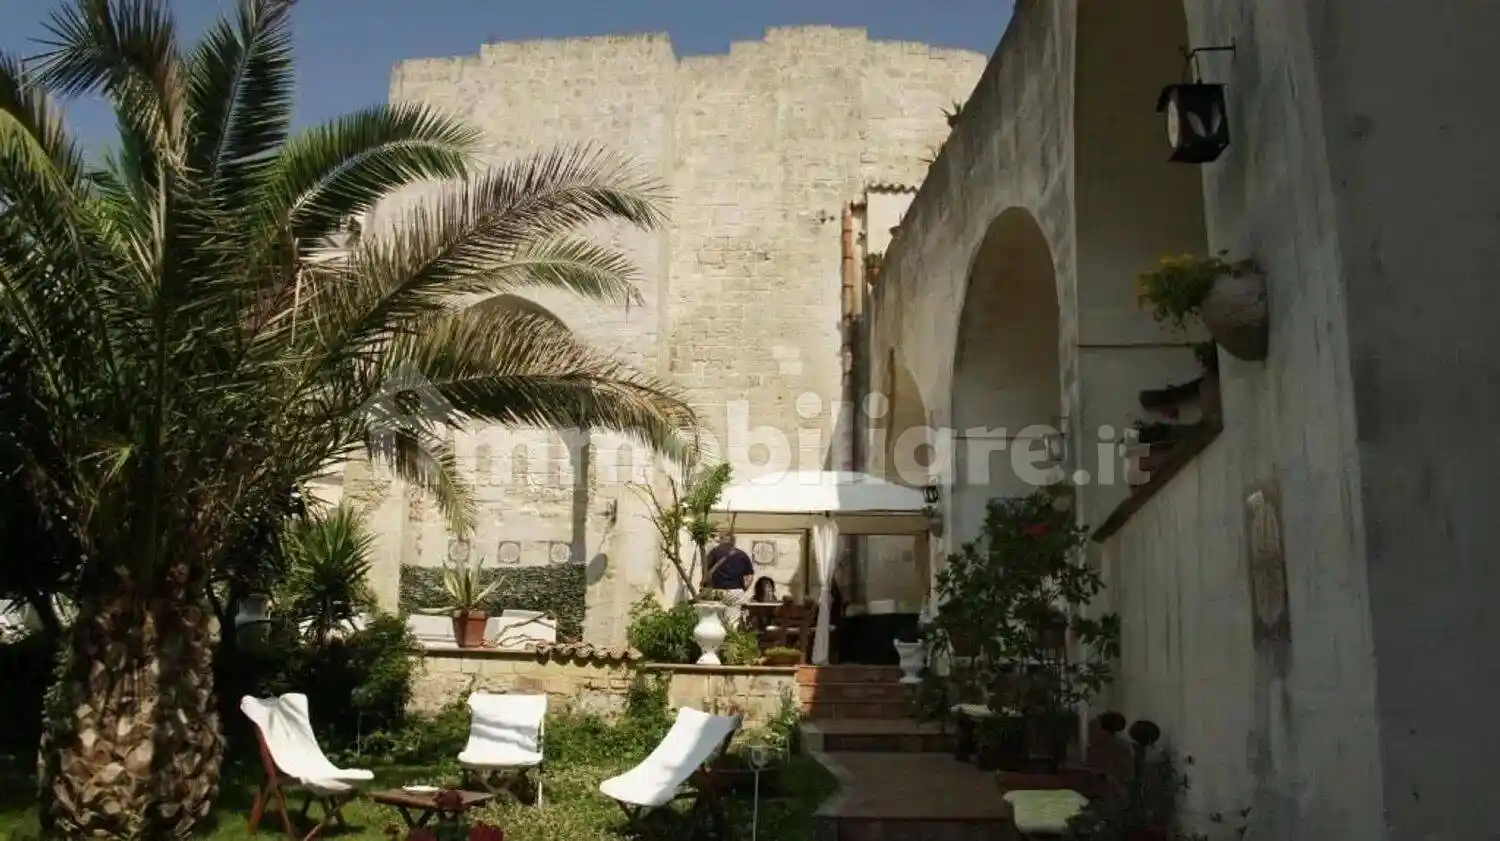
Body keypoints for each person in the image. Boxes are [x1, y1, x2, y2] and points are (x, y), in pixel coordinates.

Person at [704, 532, 754, 626]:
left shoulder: (714, 552)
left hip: (718, 591)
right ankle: (731, 638)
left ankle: (718, 639)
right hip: (736, 591)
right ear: (733, 541)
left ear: (724, 540)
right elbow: (750, 575)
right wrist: (744, 588)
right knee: (733, 622)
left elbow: (706, 571)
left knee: (716, 621)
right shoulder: (742, 554)